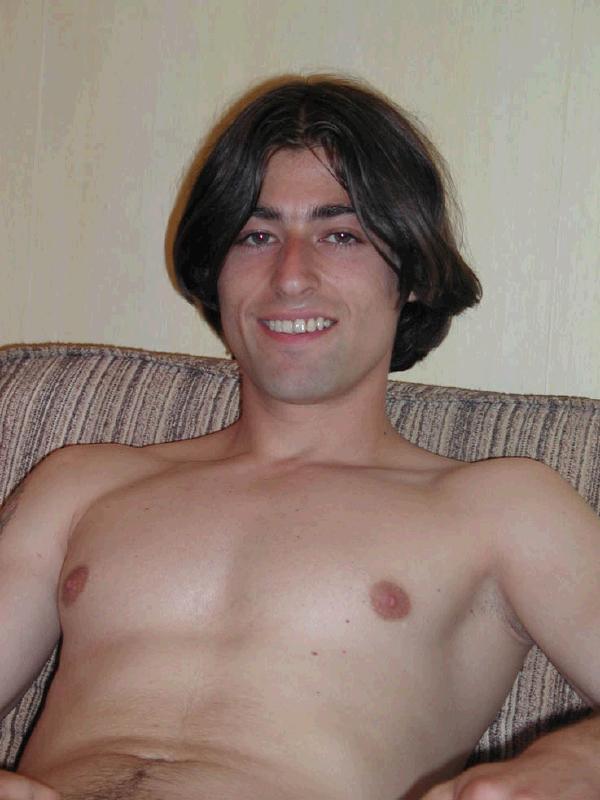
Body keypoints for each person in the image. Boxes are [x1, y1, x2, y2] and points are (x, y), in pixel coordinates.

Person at [1, 75, 599, 800]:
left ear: (412, 272)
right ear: (216, 271)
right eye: (256, 236)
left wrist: (571, 765)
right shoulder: (79, 484)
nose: (290, 277)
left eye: (340, 235)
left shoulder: (501, 507)